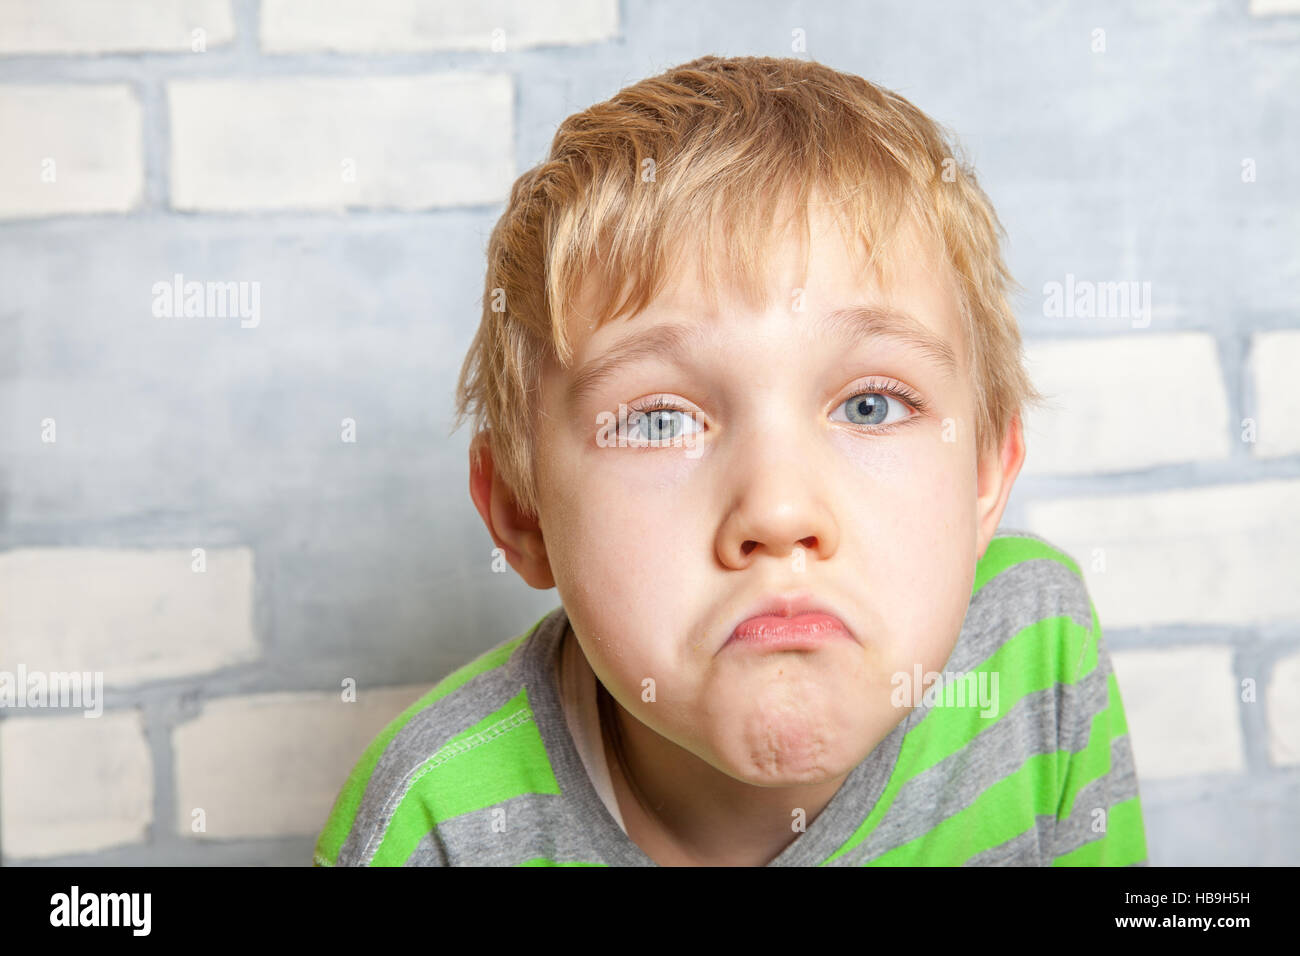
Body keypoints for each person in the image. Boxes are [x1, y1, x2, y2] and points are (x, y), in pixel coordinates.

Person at [314, 54, 1147, 867]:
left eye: (871, 405)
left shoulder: (1036, 652)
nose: (780, 513)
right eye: (658, 423)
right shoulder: (432, 826)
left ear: (985, 475)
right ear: (522, 513)